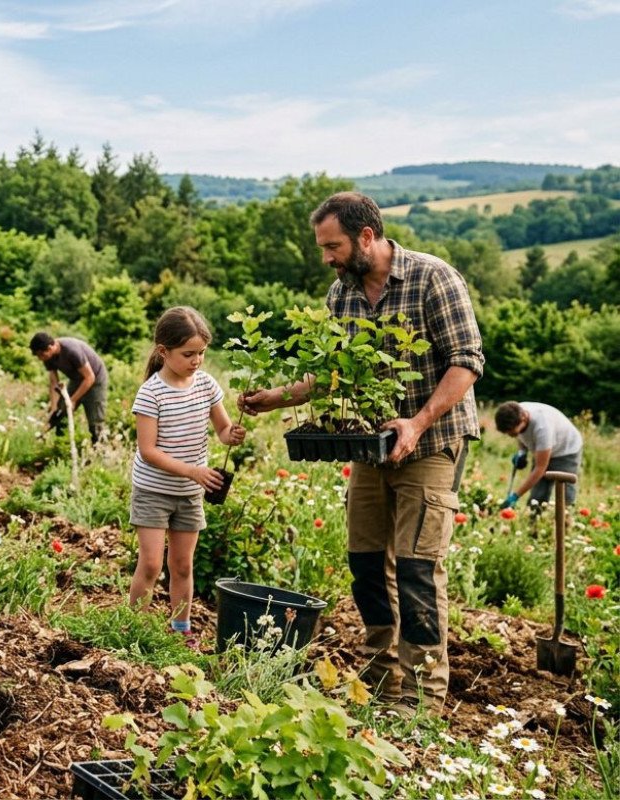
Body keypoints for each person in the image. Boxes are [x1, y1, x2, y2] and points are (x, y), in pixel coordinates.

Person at [238, 191, 484, 717]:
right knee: (367, 564)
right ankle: (381, 680)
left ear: (366, 237)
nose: (326, 258)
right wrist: (274, 398)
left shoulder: (433, 279)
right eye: (323, 248)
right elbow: (329, 373)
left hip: (431, 443)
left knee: (418, 568)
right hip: (371, 448)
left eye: (333, 247)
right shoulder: (342, 294)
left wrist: (416, 424)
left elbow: (466, 363)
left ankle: (420, 699)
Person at [128, 307, 245, 647]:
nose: (197, 361)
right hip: (153, 490)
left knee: (182, 565)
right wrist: (194, 471)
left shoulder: (206, 385)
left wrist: (232, 434)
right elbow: (148, 451)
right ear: (163, 351)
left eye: (201, 353)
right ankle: (133, 627)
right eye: (188, 354)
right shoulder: (151, 393)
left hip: (190, 492)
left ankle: (181, 628)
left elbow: (222, 429)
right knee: (151, 564)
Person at [495, 401, 583, 509]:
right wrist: (522, 452)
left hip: (566, 450)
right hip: (543, 449)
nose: (510, 435)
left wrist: (515, 496)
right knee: (537, 498)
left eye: (512, 432)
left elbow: (540, 469)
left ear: (523, 419)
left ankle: (567, 517)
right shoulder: (515, 412)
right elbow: (520, 435)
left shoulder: (542, 427)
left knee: (565, 496)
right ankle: (535, 517)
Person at [30, 332, 108, 442]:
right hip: (77, 380)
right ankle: (61, 444)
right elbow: (54, 383)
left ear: (50, 348)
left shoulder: (71, 350)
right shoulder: (48, 357)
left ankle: (99, 447)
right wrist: (54, 408)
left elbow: (90, 377)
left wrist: (72, 400)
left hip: (95, 379)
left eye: (40, 355)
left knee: (95, 421)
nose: (40, 358)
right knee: (60, 413)